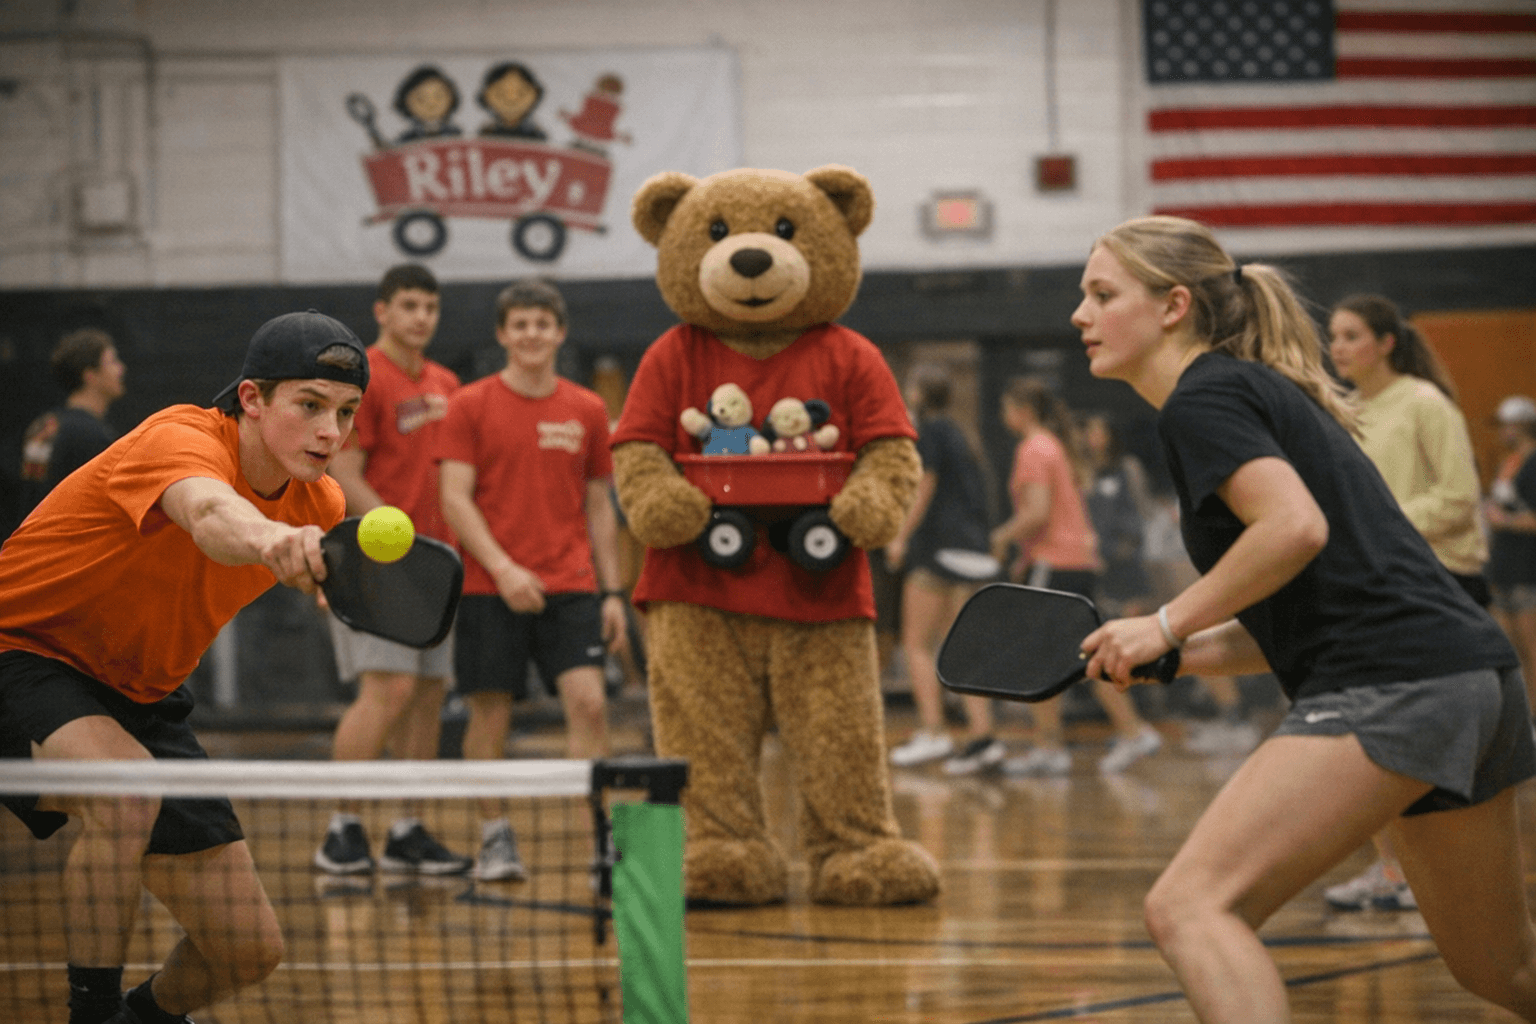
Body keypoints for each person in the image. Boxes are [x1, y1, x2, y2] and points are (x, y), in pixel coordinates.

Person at [1077, 215, 1536, 1022]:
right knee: (1506, 975)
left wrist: (1168, 622)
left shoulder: (1205, 397)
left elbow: (1293, 529)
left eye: (1101, 294)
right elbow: (1304, 612)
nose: (1079, 315)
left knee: (1189, 909)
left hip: (1397, 685)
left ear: (1173, 304)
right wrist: (1172, 655)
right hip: (1469, 677)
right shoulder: (1251, 389)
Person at [0, 310, 370, 1024]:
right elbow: (207, 514)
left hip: (139, 690)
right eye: (311, 406)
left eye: (348, 412)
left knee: (247, 951)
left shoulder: (321, 501)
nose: (333, 431)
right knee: (125, 793)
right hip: (23, 647)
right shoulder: (181, 437)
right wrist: (270, 538)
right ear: (253, 399)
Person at [437, 278, 628, 882]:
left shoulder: (588, 409)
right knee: (489, 718)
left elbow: (600, 507)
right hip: (490, 589)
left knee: (590, 705)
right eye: (519, 325)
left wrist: (613, 591)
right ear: (502, 334)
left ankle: (599, 842)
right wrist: (503, 568)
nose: (531, 335)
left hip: (570, 584)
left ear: (559, 332)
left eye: (541, 324)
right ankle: (495, 839)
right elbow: (454, 499)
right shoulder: (469, 405)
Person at [1323, 291, 1491, 913]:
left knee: (1429, 745)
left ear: (1386, 342)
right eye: (1333, 336)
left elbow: (1456, 497)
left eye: (1351, 335)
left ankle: (1440, 878)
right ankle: (1392, 869)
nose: (1338, 347)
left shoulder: (1424, 403)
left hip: (1441, 587)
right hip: (1380, 586)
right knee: (1373, 735)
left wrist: (1377, 527)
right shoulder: (1343, 413)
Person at [313, 265, 470, 878]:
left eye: (430, 305)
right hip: (376, 562)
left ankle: (408, 829)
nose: (421, 316)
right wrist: (394, 536)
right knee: (387, 690)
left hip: (435, 566)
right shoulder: (363, 380)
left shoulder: (447, 382)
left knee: (428, 695)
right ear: (382, 311)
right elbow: (345, 474)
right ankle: (342, 828)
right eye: (409, 304)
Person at [990, 378, 1162, 776]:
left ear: (1023, 410)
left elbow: (1037, 513)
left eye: (1007, 407)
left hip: (1058, 564)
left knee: (1047, 658)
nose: (1004, 415)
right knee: (1077, 655)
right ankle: (1116, 735)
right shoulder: (1055, 445)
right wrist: (1027, 557)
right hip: (1071, 562)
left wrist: (1001, 537)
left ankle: (1061, 745)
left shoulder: (1034, 448)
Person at [884, 363, 1002, 774]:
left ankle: (934, 733)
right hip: (973, 551)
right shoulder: (960, 433)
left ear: (917, 393)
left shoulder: (928, 431)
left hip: (937, 551)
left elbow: (924, 486)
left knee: (917, 644)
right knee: (961, 647)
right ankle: (984, 738)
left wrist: (899, 536)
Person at [18, 328, 128, 519]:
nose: (121, 369)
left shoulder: (43, 424)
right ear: (90, 375)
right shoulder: (91, 435)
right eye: (112, 361)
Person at [1484, 394, 1536, 720]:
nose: (1503, 432)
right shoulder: (1510, 462)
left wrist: (1504, 521)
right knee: (1509, 652)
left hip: (1527, 571)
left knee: (1531, 650)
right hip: (1501, 569)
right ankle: (1520, 719)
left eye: (1507, 426)